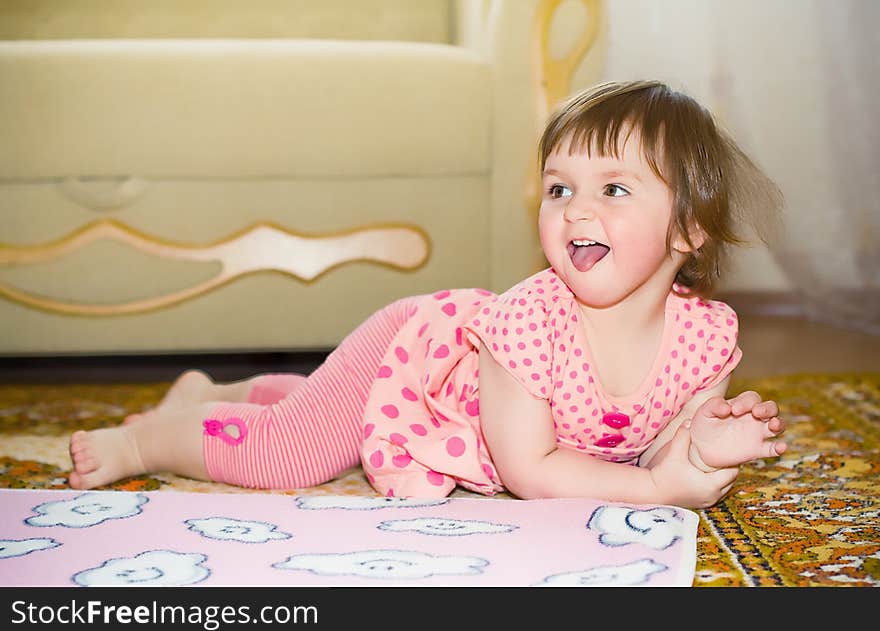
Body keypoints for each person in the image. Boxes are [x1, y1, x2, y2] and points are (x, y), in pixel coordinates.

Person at [69, 80, 788, 508]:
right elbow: (529, 468)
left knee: (320, 407)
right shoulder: (526, 324)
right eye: (560, 187)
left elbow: (663, 449)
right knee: (288, 454)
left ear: (689, 229)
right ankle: (144, 437)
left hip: (464, 394)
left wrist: (705, 448)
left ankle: (221, 391)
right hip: (419, 352)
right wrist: (661, 491)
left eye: (614, 190)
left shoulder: (706, 338)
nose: (574, 209)